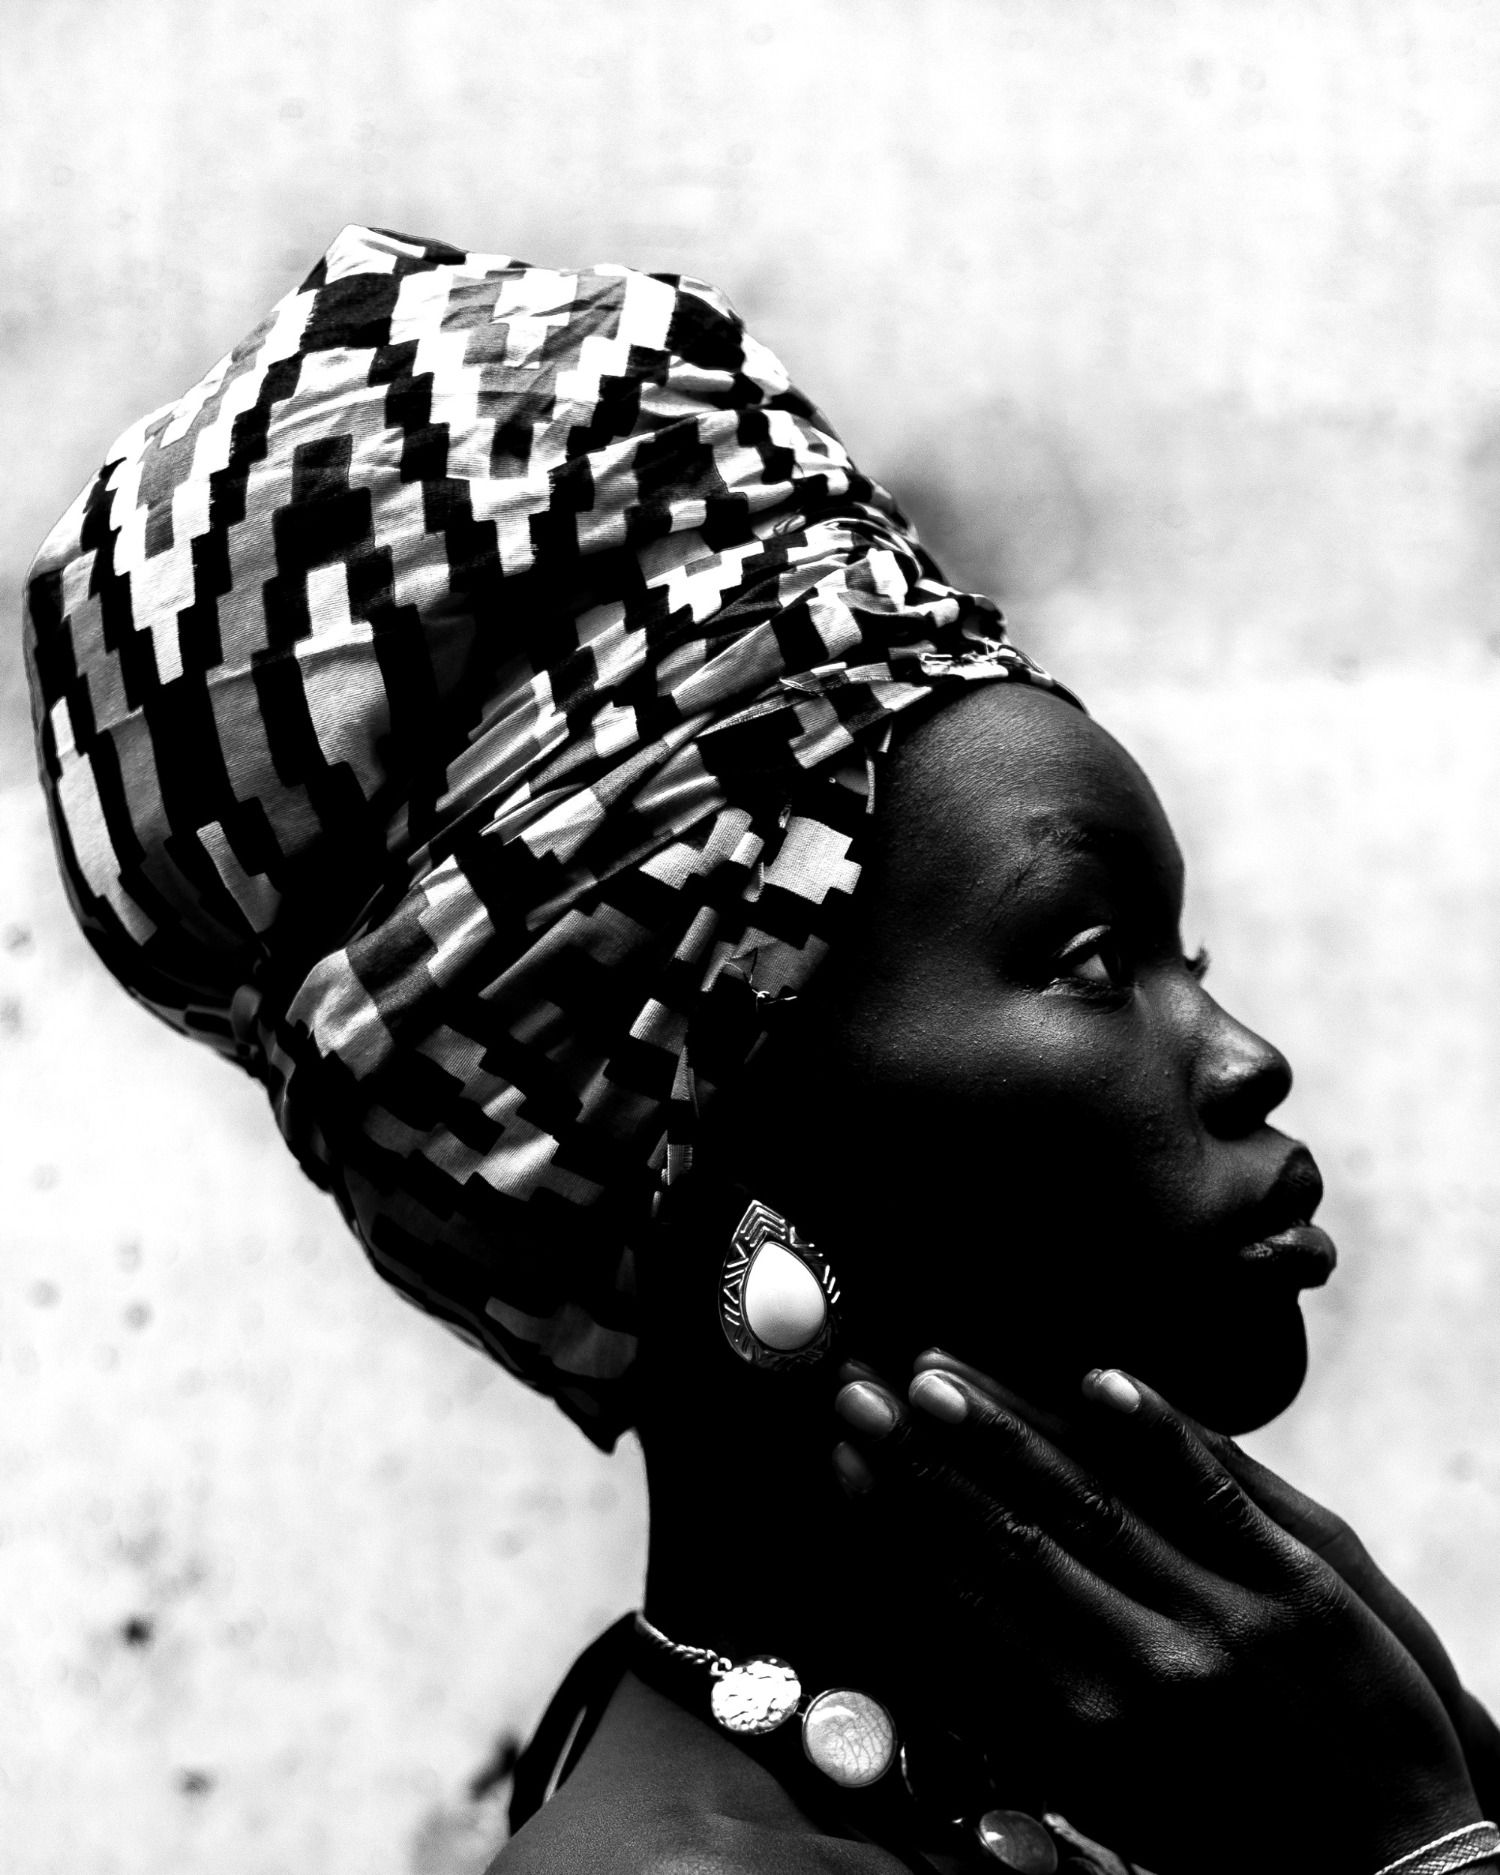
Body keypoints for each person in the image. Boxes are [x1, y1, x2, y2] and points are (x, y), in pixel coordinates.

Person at [23, 225, 1500, 1875]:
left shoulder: (1150, 1786)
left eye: (1190, 959)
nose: (1245, 1061)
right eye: (1090, 960)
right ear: (724, 1134)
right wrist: (1419, 1841)